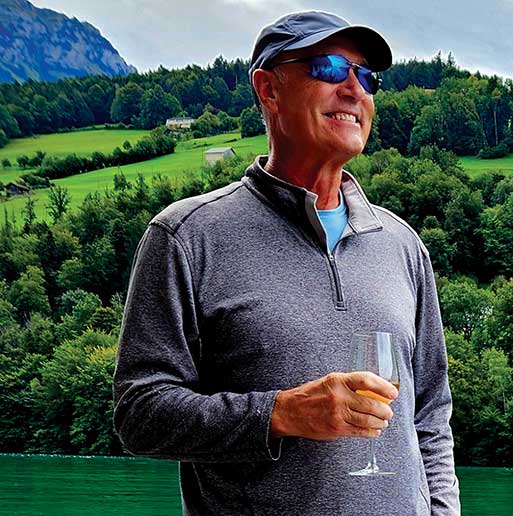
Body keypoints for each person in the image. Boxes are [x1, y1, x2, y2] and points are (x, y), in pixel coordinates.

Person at [113, 10, 460, 516]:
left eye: (367, 77)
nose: (354, 89)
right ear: (269, 89)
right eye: (328, 68)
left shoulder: (402, 245)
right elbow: (139, 414)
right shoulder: (185, 236)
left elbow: (430, 413)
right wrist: (280, 413)